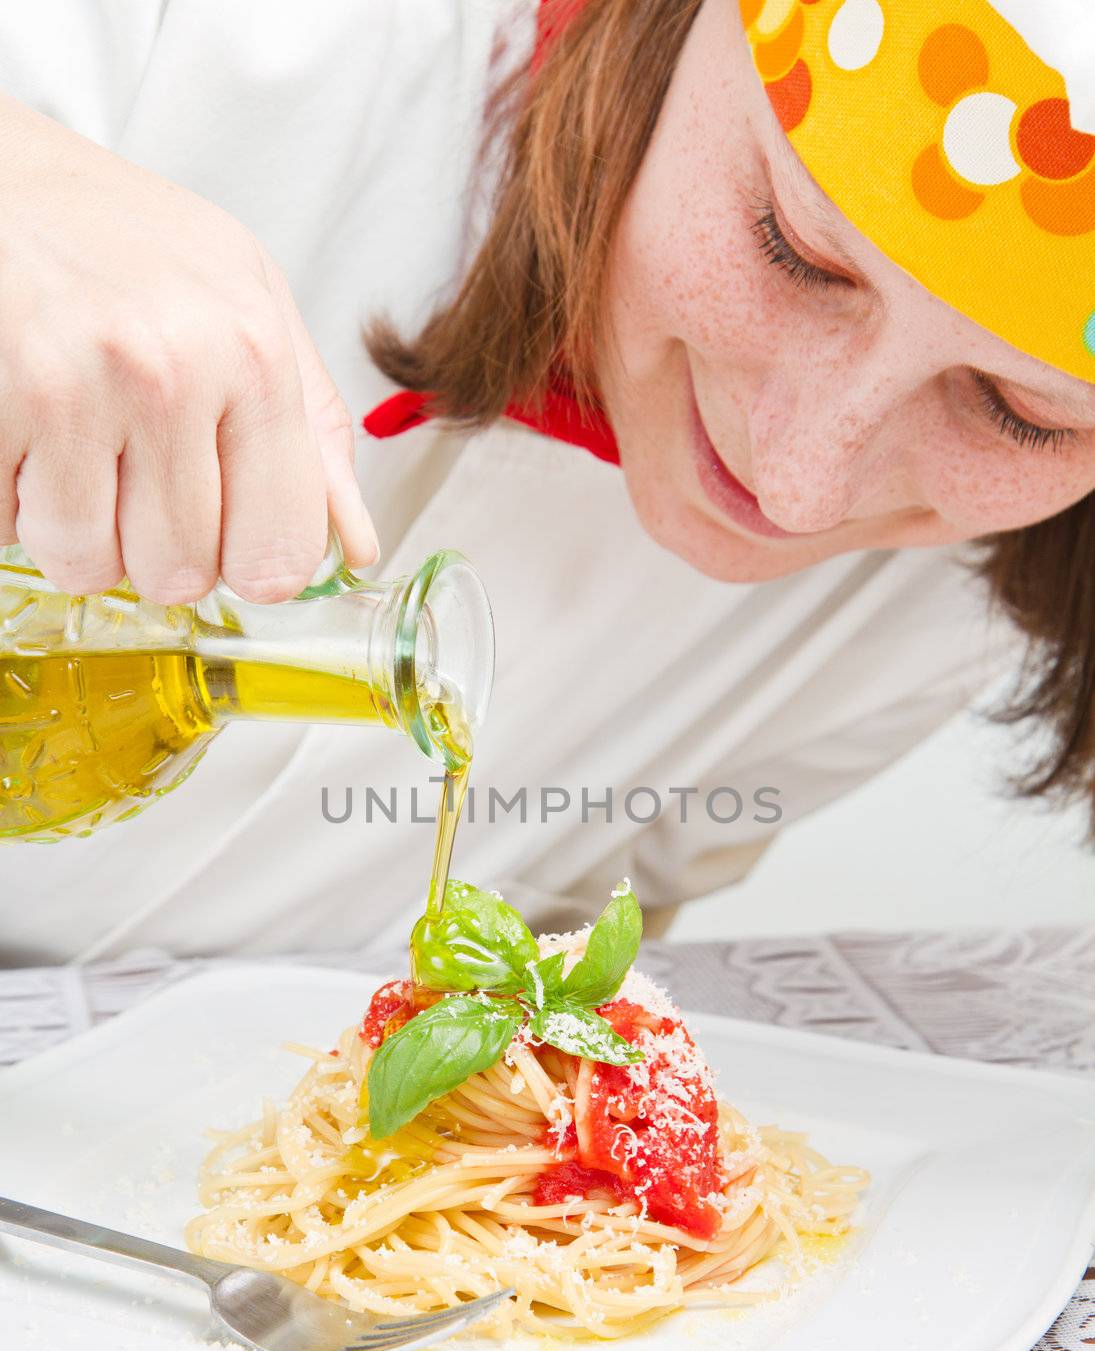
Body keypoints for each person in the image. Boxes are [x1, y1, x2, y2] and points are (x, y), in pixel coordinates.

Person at [0, 0, 1091, 963]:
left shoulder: (936, 612)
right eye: (792, 251)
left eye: (1018, 414)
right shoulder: (233, 33)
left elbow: (572, 940)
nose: (798, 487)